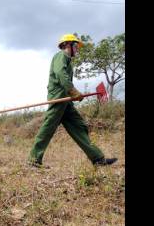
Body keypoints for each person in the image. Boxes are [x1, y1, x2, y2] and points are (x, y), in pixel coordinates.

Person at [28, 34, 117, 168]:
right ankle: (33, 160)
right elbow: (60, 74)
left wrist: (73, 94)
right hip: (58, 99)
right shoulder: (61, 56)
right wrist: (73, 91)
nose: (77, 49)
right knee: (47, 129)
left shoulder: (68, 61)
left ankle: (97, 159)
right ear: (67, 45)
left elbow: (65, 78)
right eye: (75, 46)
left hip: (66, 102)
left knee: (79, 126)